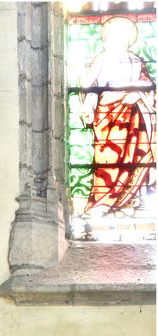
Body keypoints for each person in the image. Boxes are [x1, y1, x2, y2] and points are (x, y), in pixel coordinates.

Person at [80, 16, 155, 215]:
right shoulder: (102, 58)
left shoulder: (137, 61)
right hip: (108, 114)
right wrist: (88, 106)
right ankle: (104, 200)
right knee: (108, 158)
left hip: (133, 113)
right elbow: (90, 86)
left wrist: (137, 92)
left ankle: (131, 199)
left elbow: (148, 85)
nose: (116, 40)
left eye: (121, 37)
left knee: (136, 154)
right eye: (112, 36)